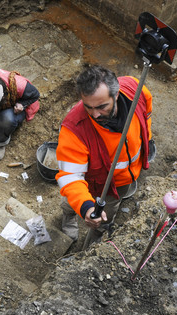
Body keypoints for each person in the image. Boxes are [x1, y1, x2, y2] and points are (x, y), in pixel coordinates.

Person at [55, 65, 155, 247]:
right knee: (74, 201)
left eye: (102, 107)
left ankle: (95, 238)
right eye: (88, 107)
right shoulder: (74, 129)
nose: (95, 114)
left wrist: (147, 138)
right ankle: (69, 215)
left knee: (108, 214)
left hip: (122, 183)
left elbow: (146, 113)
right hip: (93, 182)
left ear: (116, 95)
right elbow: (70, 177)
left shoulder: (135, 88)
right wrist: (86, 206)